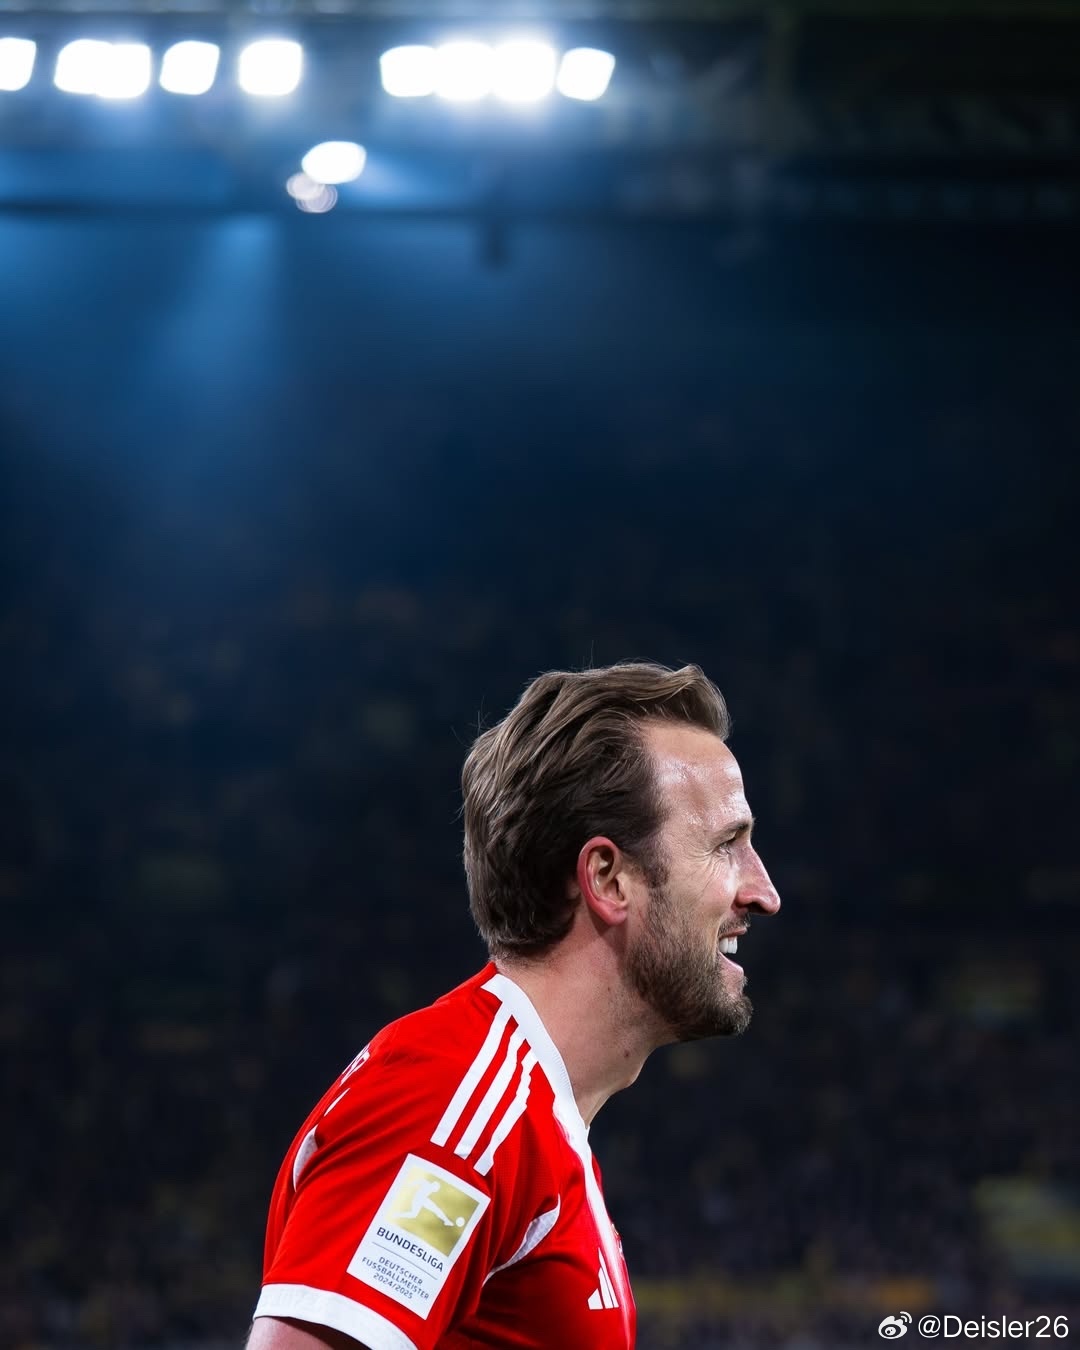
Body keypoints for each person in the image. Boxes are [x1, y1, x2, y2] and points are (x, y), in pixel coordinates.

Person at [247, 661, 781, 1350]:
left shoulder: (526, 1118)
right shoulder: (452, 1105)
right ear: (607, 879)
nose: (764, 892)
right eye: (726, 846)